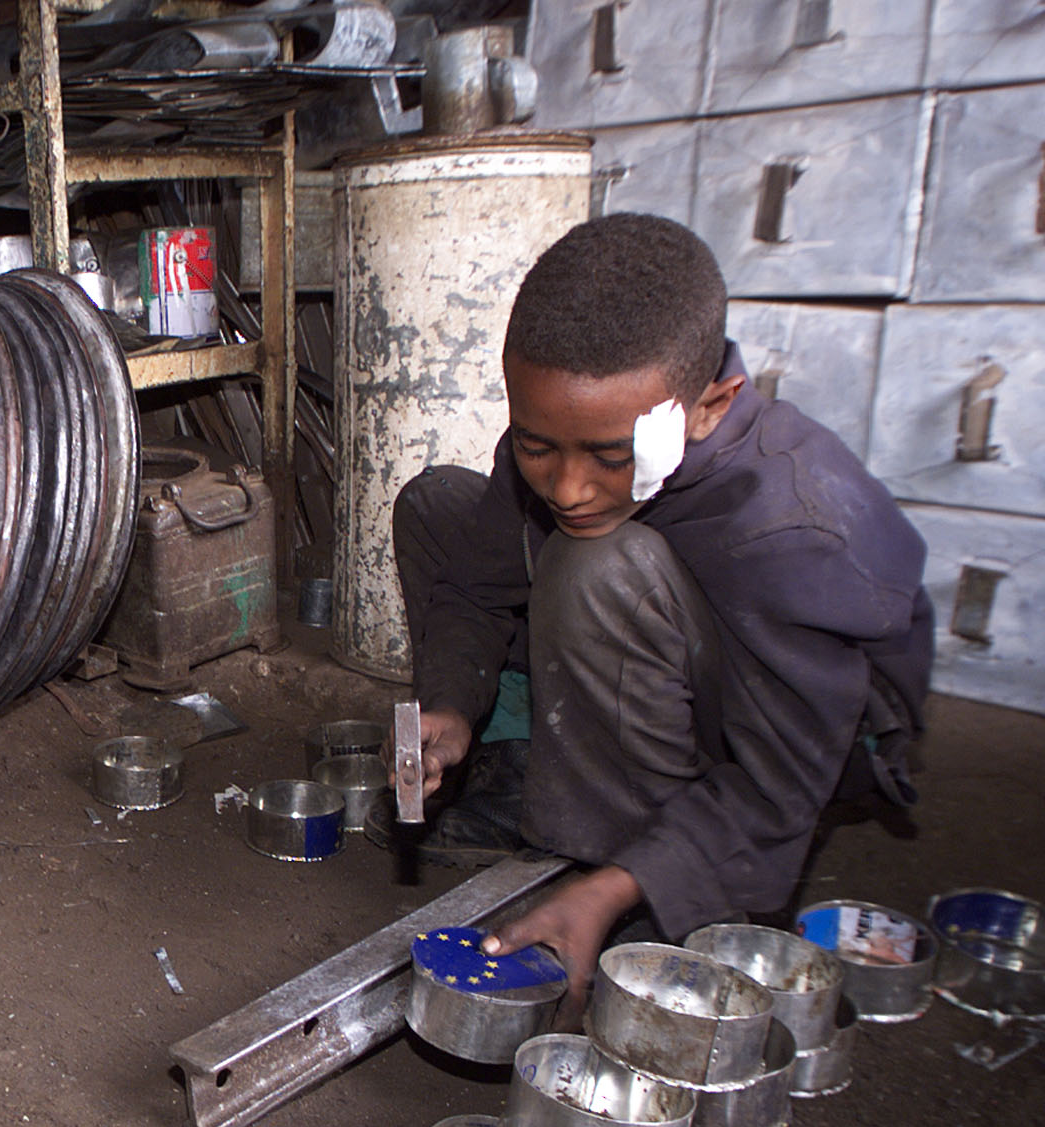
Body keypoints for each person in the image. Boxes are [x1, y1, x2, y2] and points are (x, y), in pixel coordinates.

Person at [378, 213, 931, 1008]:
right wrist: (452, 705)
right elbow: (476, 584)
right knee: (441, 505)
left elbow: (781, 782)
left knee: (598, 563)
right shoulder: (579, 437)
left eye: (610, 455)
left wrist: (620, 882)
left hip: (802, 736)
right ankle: (509, 774)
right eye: (538, 444)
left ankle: (620, 882)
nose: (568, 484)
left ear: (710, 407)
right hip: (667, 649)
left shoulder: (791, 530)